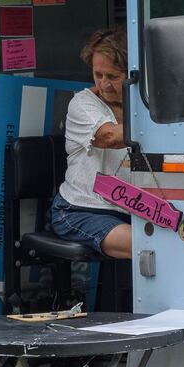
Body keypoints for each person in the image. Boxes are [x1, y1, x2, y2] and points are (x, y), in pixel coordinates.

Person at [48, 27, 133, 259]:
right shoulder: (82, 103)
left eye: (113, 77)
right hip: (81, 210)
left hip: (136, 210)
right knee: (148, 244)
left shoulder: (143, 105)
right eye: (98, 75)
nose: (104, 84)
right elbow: (109, 137)